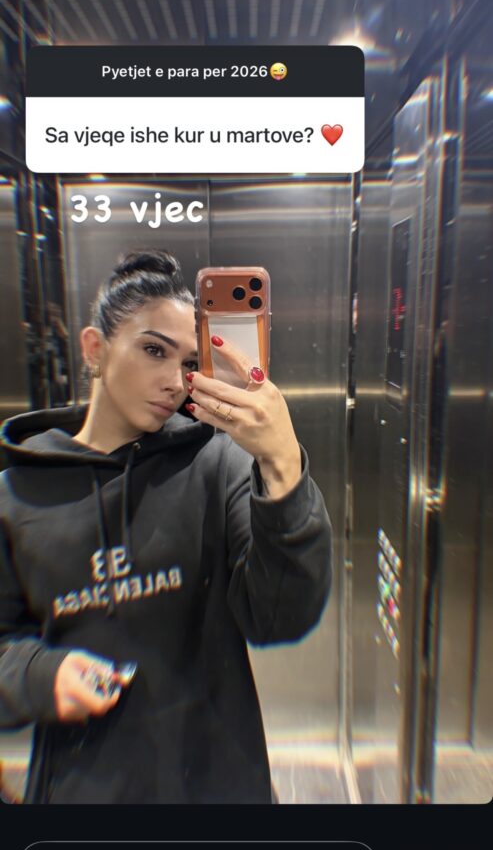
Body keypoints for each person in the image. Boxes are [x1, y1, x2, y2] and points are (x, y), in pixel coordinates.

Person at [0, 250, 332, 804]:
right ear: (94, 349)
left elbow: (281, 616)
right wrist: (40, 675)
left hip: (222, 786)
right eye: (153, 350)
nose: (175, 382)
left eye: (188, 362)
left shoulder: (217, 464)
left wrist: (280, 467)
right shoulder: (16, 495)